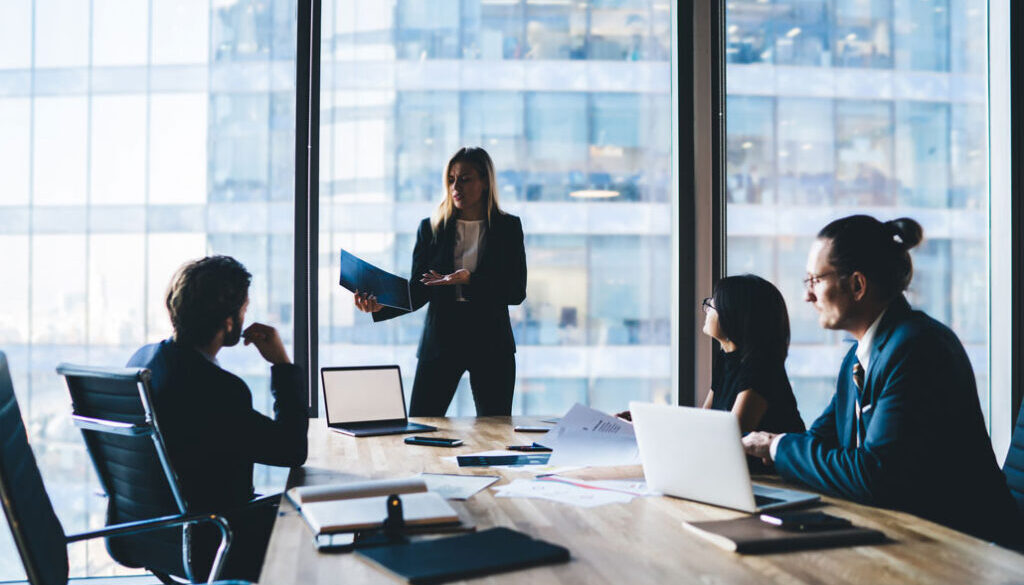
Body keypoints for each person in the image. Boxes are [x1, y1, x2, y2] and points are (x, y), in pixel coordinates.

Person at [742, 215, 1019, 545]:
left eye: (815, 280)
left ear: (857, 285)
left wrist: (777, 446)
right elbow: (821, 441)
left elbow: (875, 475)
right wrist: (772, 450)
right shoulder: (858, 358)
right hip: (906, 532)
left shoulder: (919, 348)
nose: (808, 296)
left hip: (968, 546)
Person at [127, 256, 308, 581]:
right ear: (228, 322)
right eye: (243, 310)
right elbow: (292, 450)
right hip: (216, 538)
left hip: (154, 532)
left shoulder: (143, 361)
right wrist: (281, 364)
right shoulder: (219, 390)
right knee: (318, 521)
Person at [354, 147, 526, 416]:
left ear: (484, 182)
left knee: (496, 431)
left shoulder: (508, 228)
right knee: (422, 424)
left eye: (465, 179)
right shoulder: (431, 228)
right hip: (441, 340)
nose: (455, 186)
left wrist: (470, 280)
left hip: (491, 342)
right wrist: (380, 306)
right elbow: (419, 291)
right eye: (451, 179)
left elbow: (516, 292)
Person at [619, 275, 804, 437]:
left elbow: (730, 436)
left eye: (713, 305)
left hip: (772, 474)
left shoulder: (761, 369)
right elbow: (706, 420)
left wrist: (651, 426)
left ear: (734, 315)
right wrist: (646, 422)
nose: (706, 310)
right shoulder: (727, 358)